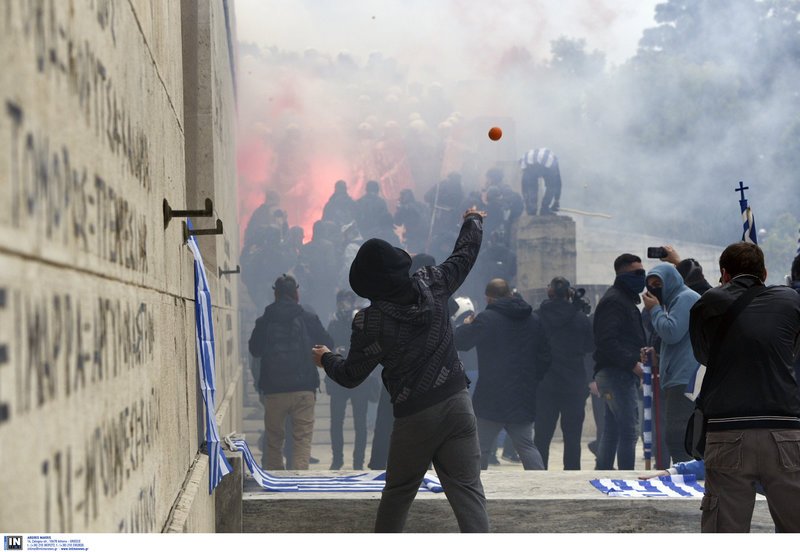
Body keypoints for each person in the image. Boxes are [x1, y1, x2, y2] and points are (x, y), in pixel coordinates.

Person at [313, 208, 489, 533]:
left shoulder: (371, 321)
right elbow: (465, 254)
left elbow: (351, 376)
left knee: (398, 494)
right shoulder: (434, 283)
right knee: (468, 492)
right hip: (457, 402)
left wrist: (325, 359)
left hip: (416, 415)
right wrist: (473, 220)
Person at [689, 241, 800, 533]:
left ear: (724, 273)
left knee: (726, 530)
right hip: (785, 431)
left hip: (727, 431)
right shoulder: (790, 301)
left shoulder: (708, 302)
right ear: (764, 272)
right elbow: (792, 350)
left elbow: (703, 355)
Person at [454, 278, 548, 471]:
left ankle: (475, 491)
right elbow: (545, 356)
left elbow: (461, 342)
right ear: (510, 294)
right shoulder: (533, 319)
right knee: (526, 446)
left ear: (489, 298)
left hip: (492, 393)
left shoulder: (487, 319)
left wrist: (466, 324)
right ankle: (541, 489)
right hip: (523, 393)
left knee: (480, 448)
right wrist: (531, 379)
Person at [248, 275, 333, 470]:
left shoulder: (265, 320)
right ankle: (299, 483)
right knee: (301, 440)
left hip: (273, 391)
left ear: (275, 294)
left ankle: (275, 483)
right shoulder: (308, 318)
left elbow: (255, 350)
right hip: (303, 390)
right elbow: (328, 343)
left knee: (274, 440)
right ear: (296, 293)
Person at [592, 253, 647, 470]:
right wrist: (633, 364)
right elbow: (607, 340)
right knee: (629, 431)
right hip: (616, 375)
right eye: (637, 273)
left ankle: (603, 470)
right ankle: (626, 478)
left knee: (613, 429)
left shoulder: (622, 300)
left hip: (618, 374)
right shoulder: (615, 301)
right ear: (623, 275)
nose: (642, 278)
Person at [534, 277, 594, 470]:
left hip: (545, 385)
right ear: (569, 293)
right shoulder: (580, 318)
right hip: (573, 385)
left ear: (549, 292)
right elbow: (590, 346)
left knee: (542, 437)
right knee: (572, 438)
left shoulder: (537, 317)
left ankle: (538, 477)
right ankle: (572, 476)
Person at [642, 263, 700, 464]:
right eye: (651, 285)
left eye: (659, 283)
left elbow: (671, 332)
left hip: (685, 378)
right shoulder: (674, 301)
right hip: (676, 377)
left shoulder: (685, 298)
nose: (655, 289)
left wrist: (655, 310)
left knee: (678, 434)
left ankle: (685, 477)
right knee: (676, 435)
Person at [325, 289, 375, 470]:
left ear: (353, 302)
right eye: (341, 301)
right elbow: (327, 346)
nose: (343, 305)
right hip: (339, 377)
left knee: (359, 423)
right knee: (336, 422)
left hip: (360, 378)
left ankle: (357, 462)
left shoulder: (362, 321)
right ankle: (337, 459)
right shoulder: (334, 321)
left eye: (346, 301)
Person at [520, 148, 562, 216]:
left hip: (528, 162)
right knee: (552, 186)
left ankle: (532, 210)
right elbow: (557, 182)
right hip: (542, 162)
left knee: (531, 187)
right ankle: (544, 209)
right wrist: (557, 200)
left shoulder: (526, 161)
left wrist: (528, 205)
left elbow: (525, 186)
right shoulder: (553, 161)